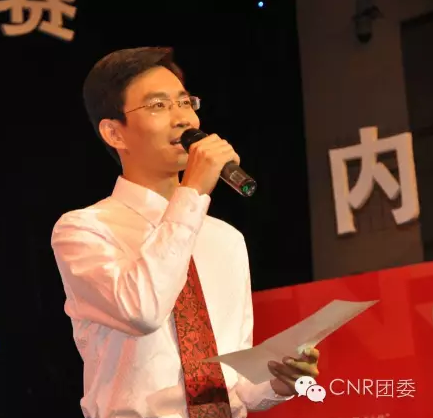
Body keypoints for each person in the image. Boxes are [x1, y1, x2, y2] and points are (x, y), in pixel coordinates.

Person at [50, 46, 320, 418]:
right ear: (114, 133)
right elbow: (142, 310)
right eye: (158, 105)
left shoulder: (226, 239)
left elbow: (236, 382)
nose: (182, 118)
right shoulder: (84, 230)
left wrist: (278, 382)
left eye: (185, 102)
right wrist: (192, 191)